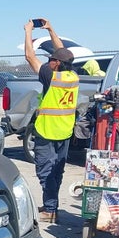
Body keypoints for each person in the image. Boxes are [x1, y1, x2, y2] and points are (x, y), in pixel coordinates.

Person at [24, 18, 80, 223]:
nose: (48, 61)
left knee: (45, 171)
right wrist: (51, 30)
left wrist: (28, 31)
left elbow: (30, 56)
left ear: (56, 64)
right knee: (56, 171)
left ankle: (49, 210)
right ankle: (51, 207)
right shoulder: (73, 76)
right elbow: (64, 52)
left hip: (47, 132)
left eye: (51, 59)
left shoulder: (51, 76)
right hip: (65, 132)